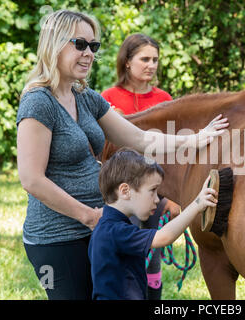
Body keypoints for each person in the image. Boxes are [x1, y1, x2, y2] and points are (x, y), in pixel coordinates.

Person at [16, 9, 228, 300]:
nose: (89, 53)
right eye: (80, 44)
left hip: (101, 229)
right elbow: (31, 178)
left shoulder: (84, 97)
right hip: (58, 237)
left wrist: (195, 139)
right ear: (54, 43)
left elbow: (139, 139)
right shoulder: (38, 102)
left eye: (94, 46)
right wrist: (89, 216)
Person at [101, 33, 179, 300]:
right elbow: (103, 153)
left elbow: (172, 156)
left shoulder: (166, 100)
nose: (152, 65)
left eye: (155, 59)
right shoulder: (108, 99)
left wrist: (169, 198)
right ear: (127, 62)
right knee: (129, 251)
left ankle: (153, 298)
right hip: (122, 190)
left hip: (157, 190)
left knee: (153, 252)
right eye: (144, 59)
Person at [89, 148, 218, 300]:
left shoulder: (105, 227)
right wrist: (197, 204)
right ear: (125, 191)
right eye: (153, 191)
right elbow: (164, 237)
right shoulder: (116, 232)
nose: (157, 199)